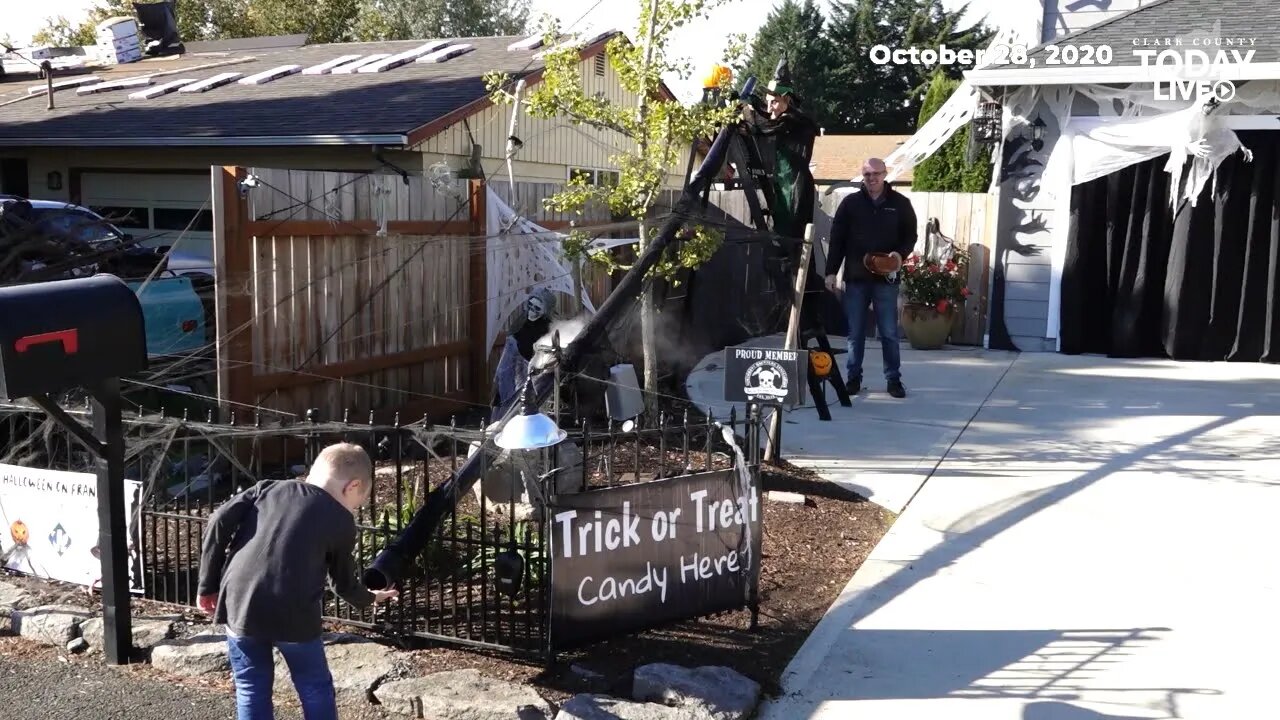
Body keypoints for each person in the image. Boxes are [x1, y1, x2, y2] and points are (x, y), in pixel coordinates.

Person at [197, 443, 399, 720]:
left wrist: (208, 584)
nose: (354, 508)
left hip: (240, 602)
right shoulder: (339, 520)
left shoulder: (266, 488)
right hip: (293, 613)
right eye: (358, 502)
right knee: (314, 686)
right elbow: (341, 583)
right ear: (352, 486)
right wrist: (370, 598)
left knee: (250, 686)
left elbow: (218, 519)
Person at [824, 158, 918, 399]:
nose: (872, 178)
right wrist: (831, 271)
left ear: (885, 174)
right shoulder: (850, 204)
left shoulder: (900, 204)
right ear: (862, 176)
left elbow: (910, 236)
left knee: (888, 332)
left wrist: (899, 255)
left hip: (886, 280)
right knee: (855, 333)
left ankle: (893, 380)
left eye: (876, 174)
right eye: (867, 174)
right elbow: (837, 240)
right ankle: (853, 379)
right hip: (856, 278)